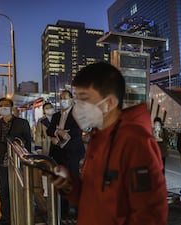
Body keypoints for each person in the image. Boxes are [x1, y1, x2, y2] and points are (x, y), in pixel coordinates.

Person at [49, 62, 168, 225]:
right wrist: (69, 184)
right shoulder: (99, 136)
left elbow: (149, 214)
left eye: (84, 99)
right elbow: (94, 195)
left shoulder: (135, 142)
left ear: (109, 103)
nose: (78, 107)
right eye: (77, 99)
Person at [0, 97, 32, 225]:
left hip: (17, 163)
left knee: (18, 190)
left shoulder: (22, 123)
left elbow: (28, 143)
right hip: (1, 163)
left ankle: (20, 215)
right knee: (4, 191)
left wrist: (26, 159)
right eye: (1, 105)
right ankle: (6, 218)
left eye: (6, 105)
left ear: (12, 108)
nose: (3, 107)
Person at [47, 90, 85, 219]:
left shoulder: (77, 114)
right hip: (58, 153)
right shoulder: (57, 115)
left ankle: (76, 211)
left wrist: (61, 135)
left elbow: (74, 132)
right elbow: (49, 130)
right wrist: (56, 134)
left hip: (72, 153)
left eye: (65, 98)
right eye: (61, 97)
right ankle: (63, 211)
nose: (63, 100)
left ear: (71, 99)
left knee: (73, 180)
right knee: (61, 181)